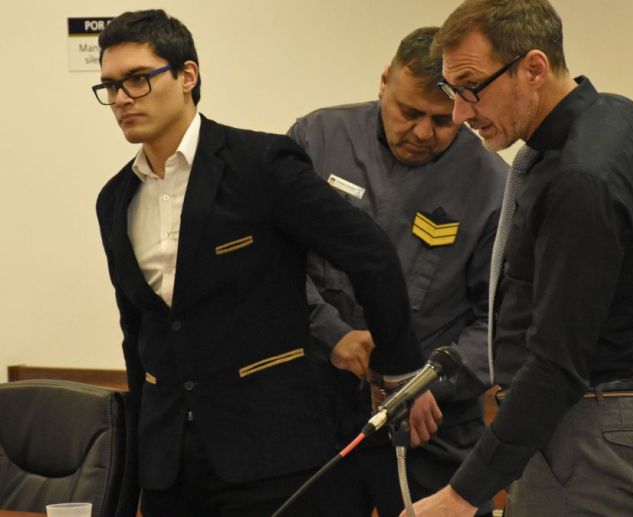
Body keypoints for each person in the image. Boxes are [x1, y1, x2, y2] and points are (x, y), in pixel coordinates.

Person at [93, 10, 440, 517]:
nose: (122, 97)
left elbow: (370, 254)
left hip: (271, 453)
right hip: (171, 463)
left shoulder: (260, 164)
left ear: (187, 76)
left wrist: (399, 370)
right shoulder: (115, 199)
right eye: (110, 86)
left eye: (138, 78)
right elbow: (138, 336)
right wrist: (138, 477)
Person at [405, 1, 633, 515]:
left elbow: (557, 361)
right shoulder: (626, 119)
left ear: (534, 68)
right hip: (607, 420)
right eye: (453, 92)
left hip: (579, 431)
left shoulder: (578, 177)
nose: (461, 113)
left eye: (471, 87)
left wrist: (461, 495)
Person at [287, 27, 506, 517]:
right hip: (315, 414)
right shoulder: (317, 139)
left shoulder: (493, 186)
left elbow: (498, 323)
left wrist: (415, 384)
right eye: (409, 112)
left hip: (430, 429)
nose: (423, 133)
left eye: (442, 119)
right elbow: (272, 263)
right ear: (384, 81)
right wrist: (331, 332)